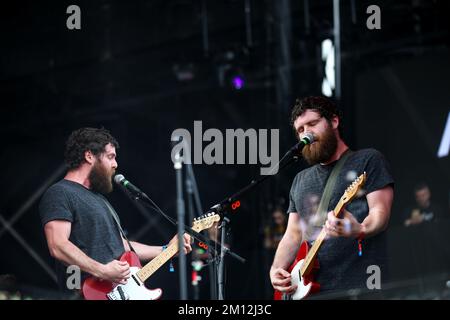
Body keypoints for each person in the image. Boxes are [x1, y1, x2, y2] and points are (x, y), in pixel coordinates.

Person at [39, 127, 192, 298]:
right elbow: (58, 245)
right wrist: (103, 270)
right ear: (89, 156)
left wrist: (166, 249)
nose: (115, 164)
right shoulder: (60, 192)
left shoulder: (101, 200)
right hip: (85, 294)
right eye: (110, 157)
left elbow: (120, 245)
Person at [270, 96, 394, 297]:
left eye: (312, 124)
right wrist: (276, 269)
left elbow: (380, 212)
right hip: (312, 290)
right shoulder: (300, 180)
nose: (306, 133)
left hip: (361, 284)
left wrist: (360, 228)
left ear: (334, 121)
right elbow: (293, 234)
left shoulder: (368, 160)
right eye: (300, 130)